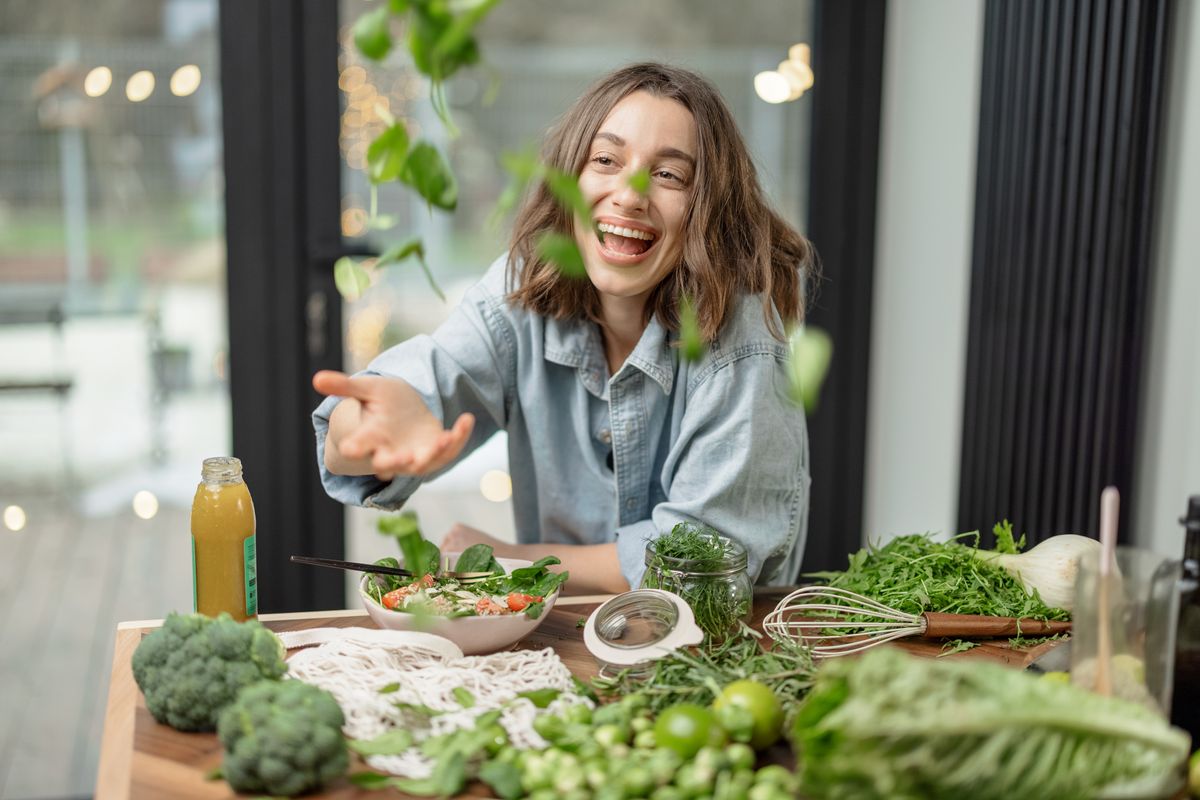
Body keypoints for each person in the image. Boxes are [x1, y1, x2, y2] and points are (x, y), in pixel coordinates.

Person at [313, 62, 816, 595]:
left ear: (708, 209)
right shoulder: (521, 289)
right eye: (606, 159)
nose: (630, 193)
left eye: (669, 174)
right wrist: (365, 432)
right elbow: (367, 432)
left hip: (717, 654)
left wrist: (516, 561)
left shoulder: (743, 341)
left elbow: (703, 568)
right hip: (562, 646)